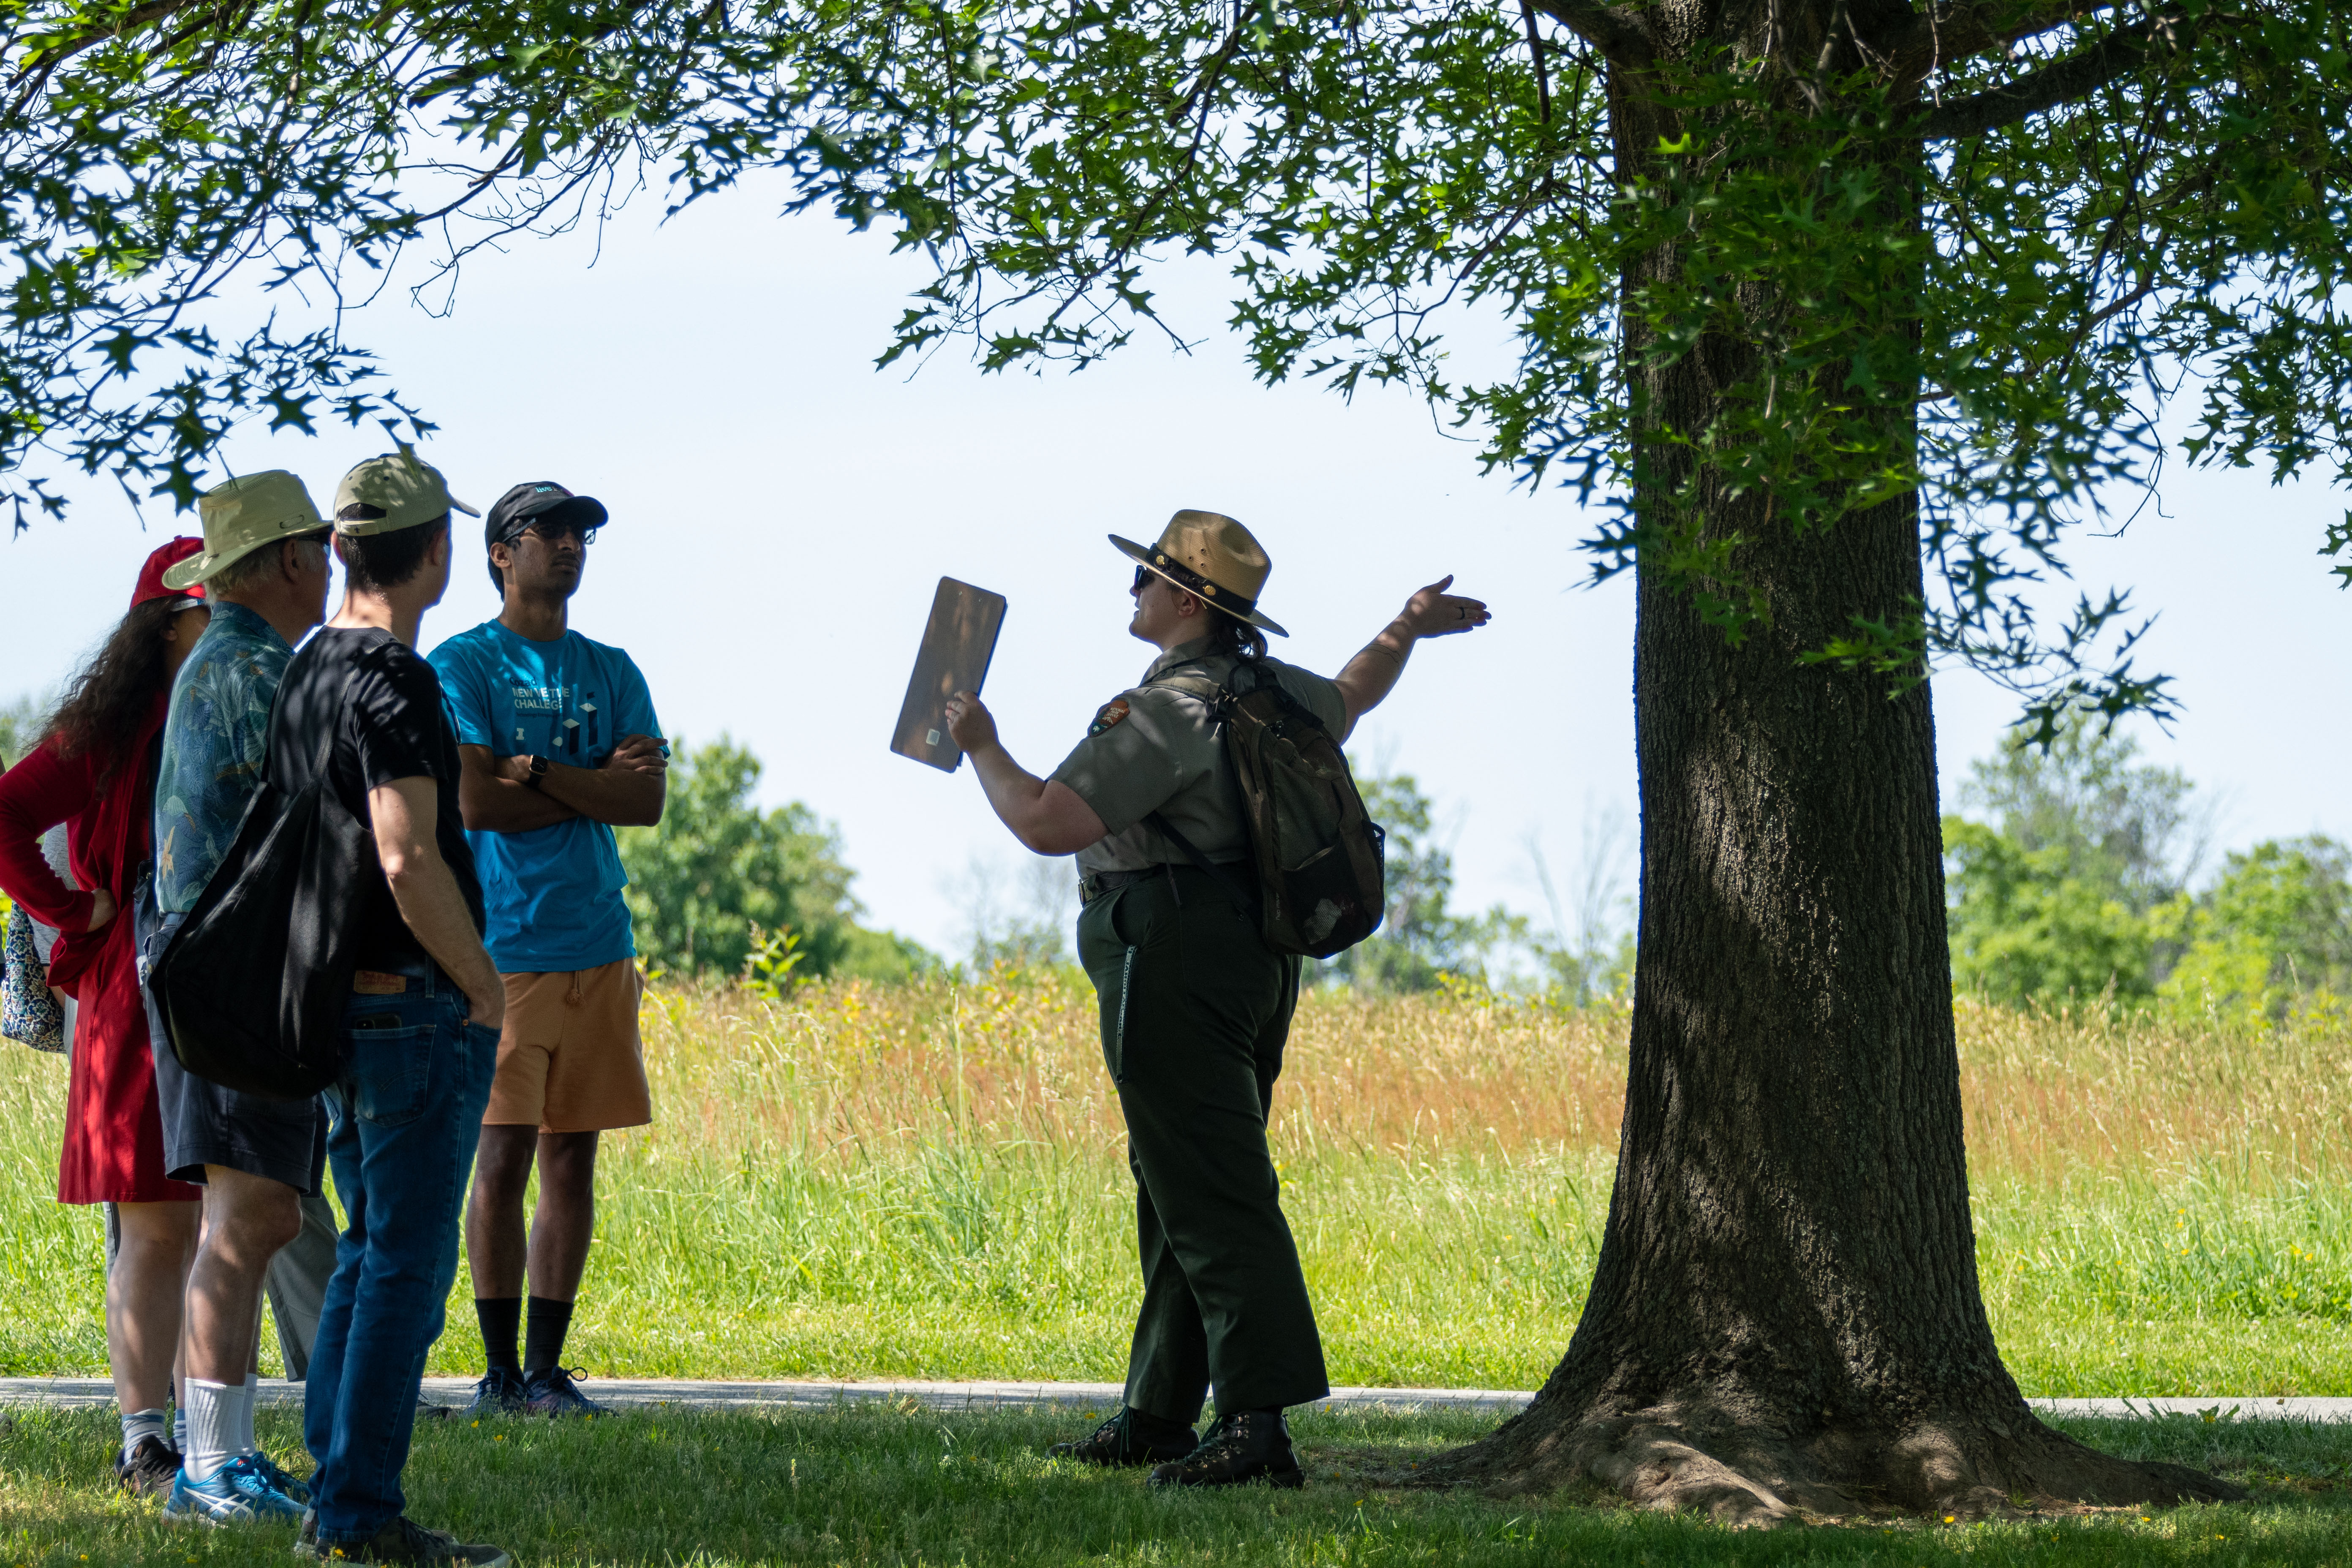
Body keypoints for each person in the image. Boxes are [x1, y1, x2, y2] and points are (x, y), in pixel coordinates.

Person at [942, 510, 1490, 1489]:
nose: (1135, 592)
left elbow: (1045, 820)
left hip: (1172, 951)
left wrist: (981, 742)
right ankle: (1159, 1410)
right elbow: (1357, 690)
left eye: (1148, 579)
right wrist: (1407, 623)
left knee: (1214, 1188)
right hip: (1259, 957)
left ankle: (1253, 1421)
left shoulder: (1163, 711)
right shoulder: (1273, 689)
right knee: (1179, 1179)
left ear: (1188, 600)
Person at [281, 447, 510, 1567]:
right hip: (412, 1008)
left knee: (370, 1255)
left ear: (337, 548)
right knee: (405, 1266)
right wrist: (481, 986)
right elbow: (408, 853)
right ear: (440, 553)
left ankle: (334, 1500)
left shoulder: (310, 667)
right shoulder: (399, 680)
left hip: (332, 1006)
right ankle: (361, 1517)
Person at [427, 481, 666, 1419]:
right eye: (549, 531)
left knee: (575, 1159)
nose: (570, 546)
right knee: (503, 1157)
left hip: (599, 943)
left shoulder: (613, 669)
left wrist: (533, 768)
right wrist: (586, 782)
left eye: (581, 534)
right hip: (505, 948)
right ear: (501, 552)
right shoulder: (465, 664)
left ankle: (547, 1369)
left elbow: (643, 802)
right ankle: (495, 1372)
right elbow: (474, 803)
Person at [143, 471, 343, 1524]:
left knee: (249, 1215)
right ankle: (209, 1470)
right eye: (315, 544)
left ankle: (221, 1458)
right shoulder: (260, 672)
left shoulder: (228, 660)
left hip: (216, 978)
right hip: (236, 984)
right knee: (248, 1217)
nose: (328, 562)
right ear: (283, 562)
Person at [0, 539, 213, 1498]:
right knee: (158, 1223)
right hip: (144, 976)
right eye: (210, 607)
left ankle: (211, 1439)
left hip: (228, 972)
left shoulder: (245, 698)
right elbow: (5, 810)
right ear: (168, 621)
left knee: (228, 1216)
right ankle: (145, 1441)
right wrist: (71, 905)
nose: (228, 621)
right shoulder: (118, 723)